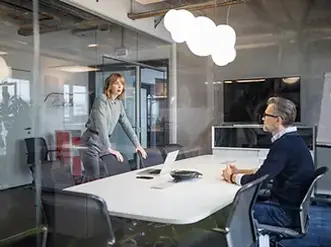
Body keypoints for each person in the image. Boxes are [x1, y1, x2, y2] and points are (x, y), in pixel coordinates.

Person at [222, 97, 315, 229]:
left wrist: (231, 177)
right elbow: (268, 171)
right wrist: (240, 171)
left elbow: (258, 181)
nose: (263, 119)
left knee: (228, 212)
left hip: (284, 214)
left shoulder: (284, 145)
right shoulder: (293, 140)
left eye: (266, 115)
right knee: (241, 203)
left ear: (278, 120)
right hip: (289, 207)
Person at [80, 73, 147, 180]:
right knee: (94, 178)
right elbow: (101, 124)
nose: (120, 86)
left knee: (103, 175)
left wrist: (137, 145)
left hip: (103, 143)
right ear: (109, 86)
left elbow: (126, 124)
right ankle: (79, 195)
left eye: (122, 84)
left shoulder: (118, 103)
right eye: (116, 83)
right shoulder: (101, 99)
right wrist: (109, 148)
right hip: (91, 142)